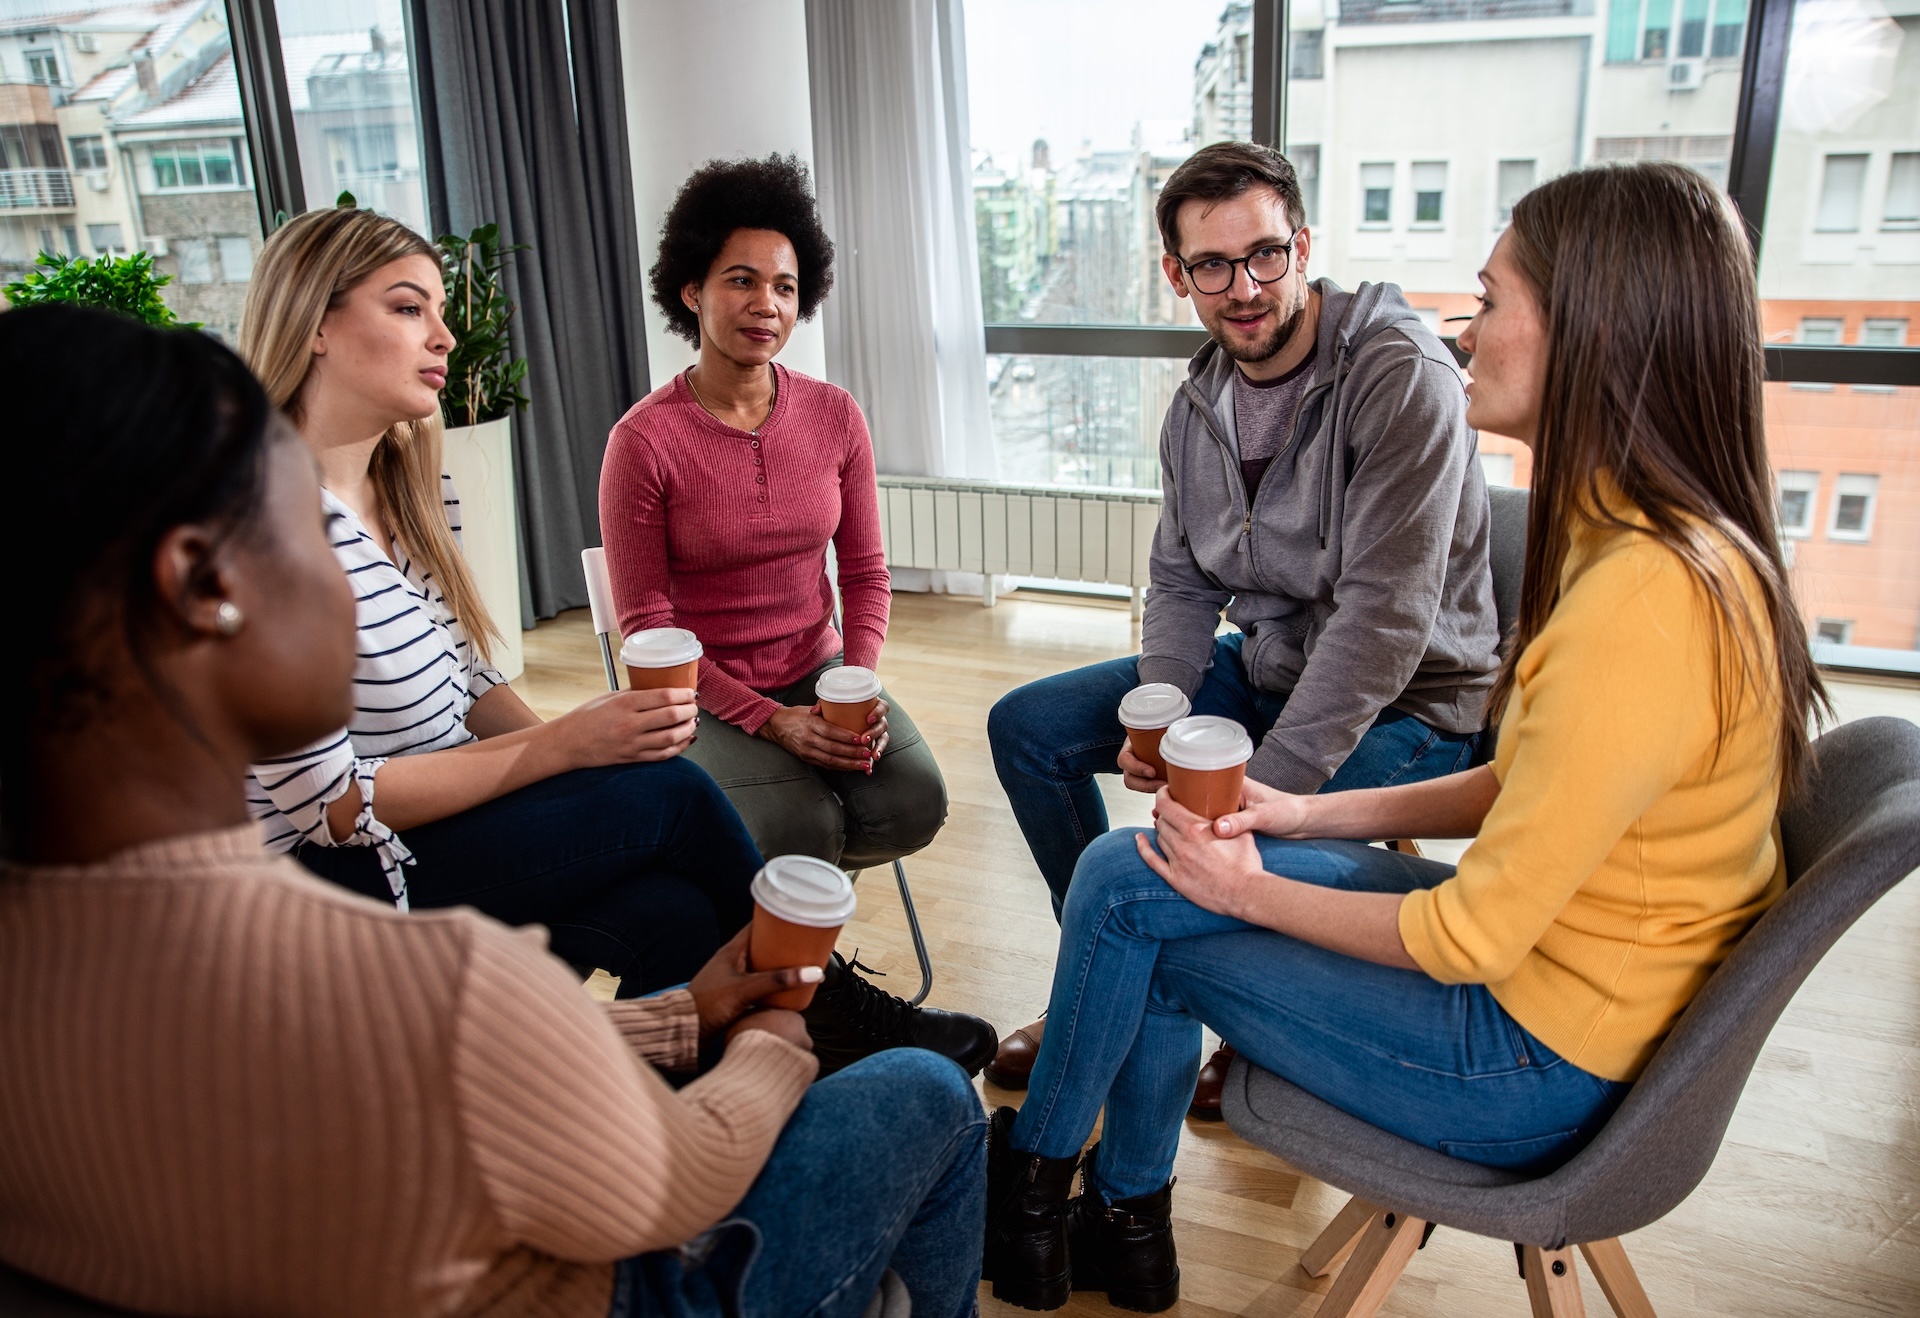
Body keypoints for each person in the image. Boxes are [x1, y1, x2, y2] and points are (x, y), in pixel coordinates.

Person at [0, 303, 986, 1318]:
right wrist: (773, 1052)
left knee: (668, 918)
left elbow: (395, 1088)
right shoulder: (438, 984)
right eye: (308, 527)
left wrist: (679, 1017)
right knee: (928, 1093)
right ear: (205, 585)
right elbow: (676, 1179)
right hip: (605, 1281)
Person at [980, 161, 1828, 1313]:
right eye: (1212, 264)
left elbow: (1470, 929)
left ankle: (1043, 1198)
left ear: (1593, 329)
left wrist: (1245, 885)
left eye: (1490, 301)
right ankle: (1115, 1220)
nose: (1465, 335)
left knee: (1134, 889)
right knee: (1142, 878)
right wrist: (1293, 814)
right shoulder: (1655, 548)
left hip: (1534, 1068)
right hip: (1573, 1003)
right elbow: (1514, 786)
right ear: (1180, 276)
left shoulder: (1639, 603)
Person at [984, 141, 1501, 1106]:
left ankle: (1252, 1017)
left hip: (1412, 703)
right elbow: (1181, 581)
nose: (1245, 289)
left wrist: (1259, 794)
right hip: (1266, 666)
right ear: (1179, 276)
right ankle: (1108, 975)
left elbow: (1384, 621)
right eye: (1212, 267)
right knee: (1030, 729)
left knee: (1205, 844)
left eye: (1265, 255)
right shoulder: (1198, 400)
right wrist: (1163, 706)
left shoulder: (1399, 374)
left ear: (1302, 245)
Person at [231, 204, 762, 1003]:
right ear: (314, 322)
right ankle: (816, 1001)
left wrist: (589, 750)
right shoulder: (256, 529)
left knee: (672, 913)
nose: (444, 337)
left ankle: (660, 1119)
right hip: (336, 884)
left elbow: (470, 683)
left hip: (440, 835)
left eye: (438, 312)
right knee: (670, 794)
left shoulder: (413, 488)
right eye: (409, 308)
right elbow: (333, 809)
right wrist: (565, 753)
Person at [600, 154, 995, 1075]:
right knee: (804, 826)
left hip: (816, 668)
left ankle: (759, 934)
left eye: (784, 285)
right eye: (740, 280)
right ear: (691, 290)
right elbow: (646, 625)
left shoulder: (833, 415)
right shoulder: (643, 442)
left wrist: (854, 680)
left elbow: (864, 570)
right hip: (700, 697)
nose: (765, 304)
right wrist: (773, 721)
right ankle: (812, 1000)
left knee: (912, 798)